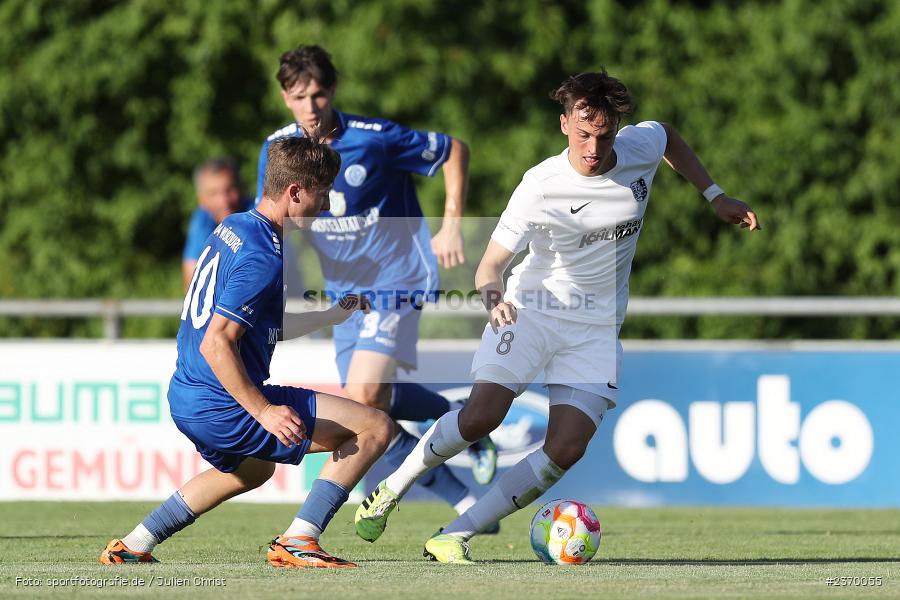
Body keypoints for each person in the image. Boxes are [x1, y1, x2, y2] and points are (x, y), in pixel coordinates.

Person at [354, 70, 762, 563]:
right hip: (531, 311)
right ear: (564, 123)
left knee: (566, 448)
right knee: (483, 416)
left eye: (605, 134)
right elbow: (490, 264)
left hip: (595, 329)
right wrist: (493, 297)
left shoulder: (639, 147)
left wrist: (715, 195)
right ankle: (393, 487)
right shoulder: (540, 185)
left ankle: (453, 534)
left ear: (618, 127)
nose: (594, 146)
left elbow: (669, 135)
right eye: (584, 133)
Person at [100, 136, 393, 569]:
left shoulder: (235, 227)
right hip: (223, 402)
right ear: (295, 191)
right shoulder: (264, 256)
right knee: (373, 428)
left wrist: (329, 316)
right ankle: (300, 540)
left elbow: (258, 327)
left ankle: (134, 544)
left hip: (188, 396)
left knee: (251, 470)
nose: (326, 205)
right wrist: (263, 411)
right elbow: (216, 341)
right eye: (322, 193)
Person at [255, 45, 497, 532]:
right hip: (344, 294)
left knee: (364, 397)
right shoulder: (277, 149)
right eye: (300, 97)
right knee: (371, 409)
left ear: (333, 92)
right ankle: (467, 448)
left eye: (319, 94)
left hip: (398, 277)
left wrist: (451, 225)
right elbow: (277, 217)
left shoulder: (374, 139)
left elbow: (454, 149)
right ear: (285, 98)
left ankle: (314, 527)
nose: (311, 107)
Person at [182, 158, 247, 288]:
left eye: (230, 190)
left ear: (241, 188)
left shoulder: (258, 213)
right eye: (213, 193)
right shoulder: (201, 220)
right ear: (201, 199)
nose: (224, 201)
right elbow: (191, 281)